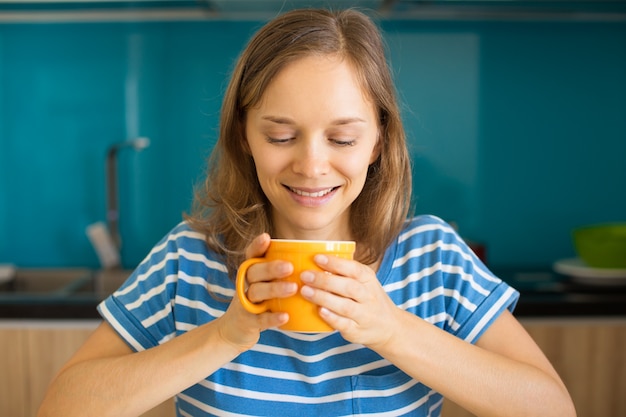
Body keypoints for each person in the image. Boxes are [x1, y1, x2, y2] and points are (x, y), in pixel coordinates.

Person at [38, 8, 576, 417]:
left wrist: (391, 330)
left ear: (378, 142)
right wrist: (223, 337)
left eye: (342, 137)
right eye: (281, 135)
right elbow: (61, 406)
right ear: (244, 137)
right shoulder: (189, 260)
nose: (312, 165)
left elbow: (552, 406)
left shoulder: (431, 257)